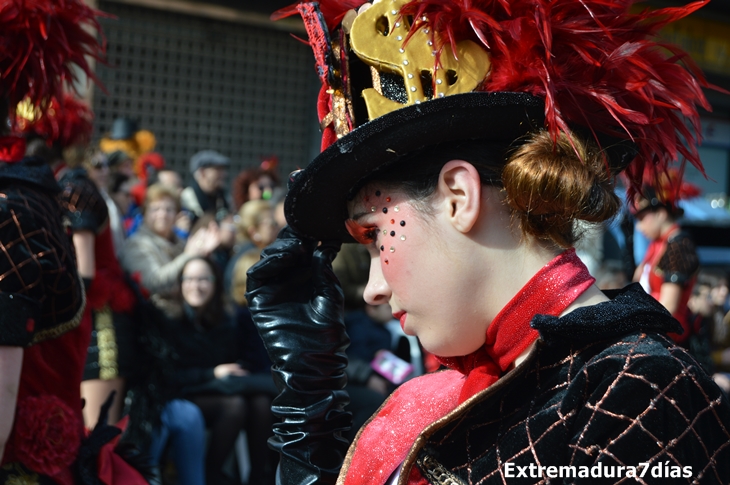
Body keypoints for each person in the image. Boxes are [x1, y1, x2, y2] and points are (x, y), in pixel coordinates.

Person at [246, 1, 730, 484]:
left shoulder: (636, 389)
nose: (372, 287)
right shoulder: (445, 396)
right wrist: (309, 412)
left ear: (458, 197)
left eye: (375, 235)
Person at [0, 1, 146, 483]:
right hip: (61, 313)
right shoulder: (45, 190)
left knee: (96, 432)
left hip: (89, 318)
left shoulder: (64, 189)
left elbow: (84, 269)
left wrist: (63, 311)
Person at [169, 257, 277, 485]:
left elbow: (238, 361)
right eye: (189, 279)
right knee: (235, 405)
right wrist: (212, 373)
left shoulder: (224, 320)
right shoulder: (169, 319)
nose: (196, 286)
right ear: (180, 283)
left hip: (218, 388)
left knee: (260, 401)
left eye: (203, 279)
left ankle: (259, 477)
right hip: (182, 391)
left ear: (215, 283)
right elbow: (169, 376)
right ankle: (211, 473)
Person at [120, 183, 220, 319]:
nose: (162, 214)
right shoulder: (136, 244)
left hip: (185, 319)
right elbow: (152, 283)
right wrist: (189, 256)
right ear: (145, 212)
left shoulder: (182, 242)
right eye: (155, 209)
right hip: (154, 321)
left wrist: (204, 255)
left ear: (177, 214)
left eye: (169, 209)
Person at [632, 170, 701, 346]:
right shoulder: (657, 244)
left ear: (661, 214)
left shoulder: (678, 246)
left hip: (667, 342)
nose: (639, 227)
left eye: (642, 218)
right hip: (651, 334)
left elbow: (668, 305)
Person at [181, 150, 231, 222]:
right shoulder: (187, 198)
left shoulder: (224, 197)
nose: (224, 174)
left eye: (223, 170)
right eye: (218, 170)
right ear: (202, 172)